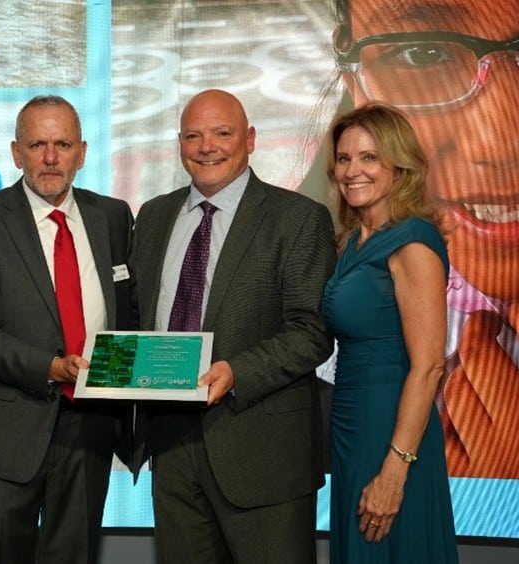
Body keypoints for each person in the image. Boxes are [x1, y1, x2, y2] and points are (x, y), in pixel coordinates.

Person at [130, 88, 336, 563]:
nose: (207, 146)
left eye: (222, 133)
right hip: (172, 447)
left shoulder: (299, 218)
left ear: (251, 140)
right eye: (193, 135)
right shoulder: (154, 215)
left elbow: (311, 332)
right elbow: (140, 318)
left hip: (262, 451)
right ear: (179, 144)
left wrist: (237, 372)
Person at [329, 0, 519, 478]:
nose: (501, 144)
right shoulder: (336, 246)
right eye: (422, 54)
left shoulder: (413, 240)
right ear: (353, 76)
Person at [0, 95, 134, 564]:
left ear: (83, 152)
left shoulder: (113, 216)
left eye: (62, 144)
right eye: (37, 144)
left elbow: (127, 312)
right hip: (5, 433)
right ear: (16, 153)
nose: (50, 157)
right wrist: (52, 368)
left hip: (91, 428)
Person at [322, 102, 458, 563]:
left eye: (369, 158)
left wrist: (395, 471)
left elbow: (428, 367)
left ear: (399, 166)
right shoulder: (353, 239)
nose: (352, 171)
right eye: (344, 159)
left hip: (392, 435)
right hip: (352, 431)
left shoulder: (413, 240)